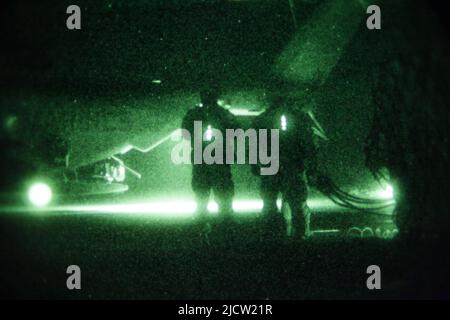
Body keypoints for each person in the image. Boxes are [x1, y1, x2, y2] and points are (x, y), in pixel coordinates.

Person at [252, 96, 318, 239]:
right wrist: (312, 165)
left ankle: (272, 236)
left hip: (270, 166)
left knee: (269, 204)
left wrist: (255, 164)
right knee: (297, 204)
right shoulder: (299, 117)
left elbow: (253, 143)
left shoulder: (262, 118)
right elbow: (308, 144)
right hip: (292, 166)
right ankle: (299, 237)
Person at [181, 88, 238, 222]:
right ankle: (226, 217)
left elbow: (185, 132)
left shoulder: (194, 113)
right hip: (220, 157)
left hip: (201, 157)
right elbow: (237, 131)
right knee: (223, 188)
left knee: (201, 187)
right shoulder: (224, 113)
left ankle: (202, 216)